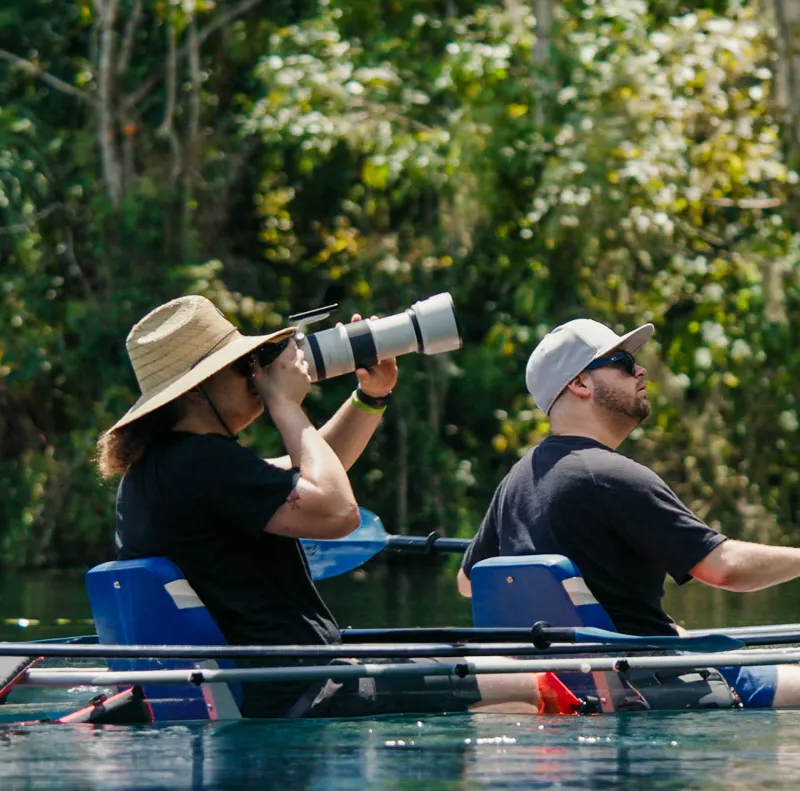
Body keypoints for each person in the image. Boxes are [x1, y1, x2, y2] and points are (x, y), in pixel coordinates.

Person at [97, 295, 539, 718]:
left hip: (272, 688)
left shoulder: (161, 468)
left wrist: (370, 397)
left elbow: (313, 472)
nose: (256, 376)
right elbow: (337, 511)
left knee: (479, 665)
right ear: (195, 391)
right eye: (241, 367)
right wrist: (284, 403)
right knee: (527, 685)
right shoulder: (203, 462)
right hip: (295, 691)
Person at [459, 318, 800, 708]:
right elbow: (724, 568)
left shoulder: (516, 478)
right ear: (580, 383)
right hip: (645, 681)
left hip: (566, 680)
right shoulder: (615, 476)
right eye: (621, 363)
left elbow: (468, 581)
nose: (641, 371)